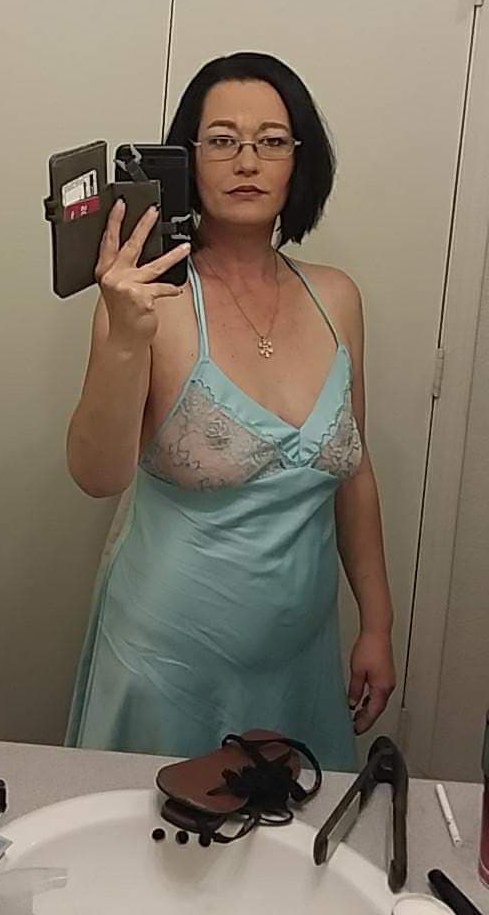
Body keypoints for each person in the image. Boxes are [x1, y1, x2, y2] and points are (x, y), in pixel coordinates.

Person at [65, 52, 395, 771]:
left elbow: (355, 474)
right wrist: (124, 338)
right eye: (221, 140)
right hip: (167, 667)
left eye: (271, 140)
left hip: (300, 664)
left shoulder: (337, 298)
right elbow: (96, 475)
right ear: (186, 159)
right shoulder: (148, 300)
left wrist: (377, 623)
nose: (247, 161)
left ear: (299, 160)